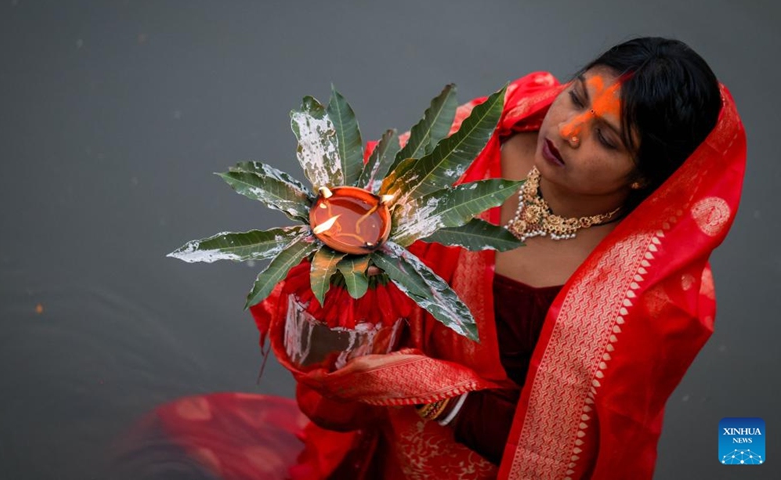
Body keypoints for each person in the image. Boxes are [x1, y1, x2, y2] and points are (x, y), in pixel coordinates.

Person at [126, 37, 746, 479]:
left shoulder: (651, 297)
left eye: (608, 139)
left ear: (643, 179)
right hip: (385, 440)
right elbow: (380, 217)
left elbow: (582, 450)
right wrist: (337, 273)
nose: (570, 130)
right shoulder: (487, 138)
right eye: (577, 95)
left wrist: (440, 395)